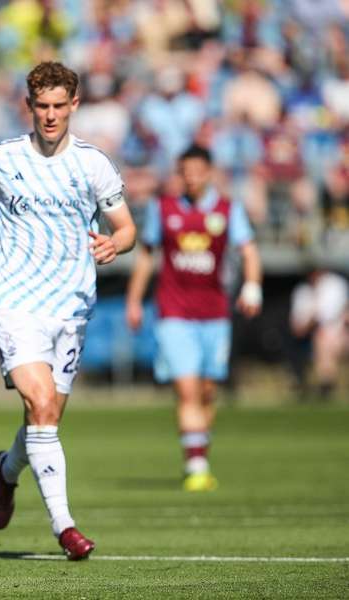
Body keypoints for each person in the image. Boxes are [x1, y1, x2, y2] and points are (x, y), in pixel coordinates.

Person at [0, 61, 136, 560]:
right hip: (16, 301)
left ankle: (5, 469)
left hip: (72, 307)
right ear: (29, 105)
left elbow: (125, 227)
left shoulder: (93, 164)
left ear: (74, 106)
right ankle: (65, 527)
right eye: (41, 106)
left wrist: (115, 244)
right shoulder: (1, 159)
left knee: (45, 420)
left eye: (59, 106)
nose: (50, 115)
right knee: (40, 406)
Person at [126, 144, 263, 492]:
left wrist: (252, 286)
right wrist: (134, 300)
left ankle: (199, 452)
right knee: (187, 390)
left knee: (206, 391)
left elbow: (248, 250)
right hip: (174, 313)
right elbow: (146, 255)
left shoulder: (227, 210)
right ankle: (197, 465)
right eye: (185, 172)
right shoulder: (164, 208)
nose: (191, 178)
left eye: (197, 171)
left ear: (209, 172)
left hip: (215, 314)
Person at [289, 269, 348, 399]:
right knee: (321, 339)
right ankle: (311, 384)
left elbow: (326, 315)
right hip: (311, 336)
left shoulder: (335, 285)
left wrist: (309, 323)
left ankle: (326, 385)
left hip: (338, 334)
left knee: (325, 338)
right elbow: (297, 325)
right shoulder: (302, 291)